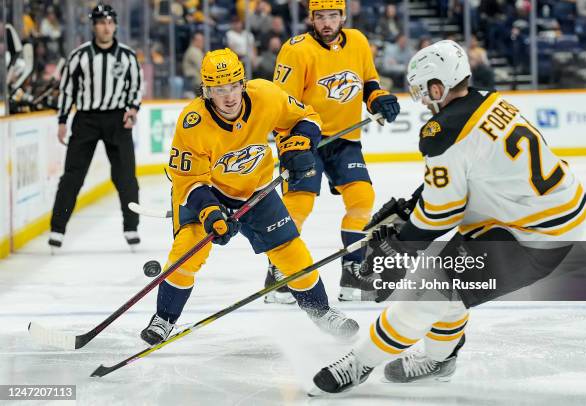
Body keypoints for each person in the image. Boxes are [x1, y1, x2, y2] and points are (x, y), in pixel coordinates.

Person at [309, 39, 586, 395]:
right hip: (540, 213)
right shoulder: (488, 99)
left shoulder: (442, 132)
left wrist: (403, 242)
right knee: (448, 285)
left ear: (438, 86)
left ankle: (360, 363)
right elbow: (466, 175)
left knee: (426, 291)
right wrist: (413, 208)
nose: (423, 101)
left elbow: (441, 213)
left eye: (423, 91)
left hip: (531, 236)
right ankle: (441, 360)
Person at [140, 48, 359, 345]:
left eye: (233, 86)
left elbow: (307, 117)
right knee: (186, 253)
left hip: (256, 191)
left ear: (243, 83)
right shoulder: (192, 123)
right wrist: (210, 213)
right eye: (219, 89)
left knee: (291, 252)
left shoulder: (266, 96)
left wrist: (299, 142)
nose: (228, 97)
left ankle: (321, 311)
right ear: (206, 92)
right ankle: (164, 318)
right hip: (209, 193)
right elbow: (188, 180)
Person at [264, 0, 400, 304]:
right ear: (311, 18)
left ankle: (354, 272)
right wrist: (288, 144)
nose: (326, 23)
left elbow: (368, 82)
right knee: (297, 208)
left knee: (362, 201)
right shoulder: (296, 50)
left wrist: (378, 99)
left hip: (345, 140)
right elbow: (279, 104)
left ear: (343, 16)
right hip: (304, 140)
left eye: (332, 16)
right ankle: (280, 273)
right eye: (320, 17)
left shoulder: (359, 42)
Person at [49, 3, 142, 251]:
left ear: (115, 25)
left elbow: (135, 87)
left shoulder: (127, 56)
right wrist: (62, 121)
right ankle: (57, 229)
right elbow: (67, 90)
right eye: (101, 22)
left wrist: (132, 110)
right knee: (72, 177)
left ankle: (131, 226)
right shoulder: (79, 56)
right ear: (94, 26)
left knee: (126, 178)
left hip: (117, 120)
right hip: (86, 119)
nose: (106, 27)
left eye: (110, 22)